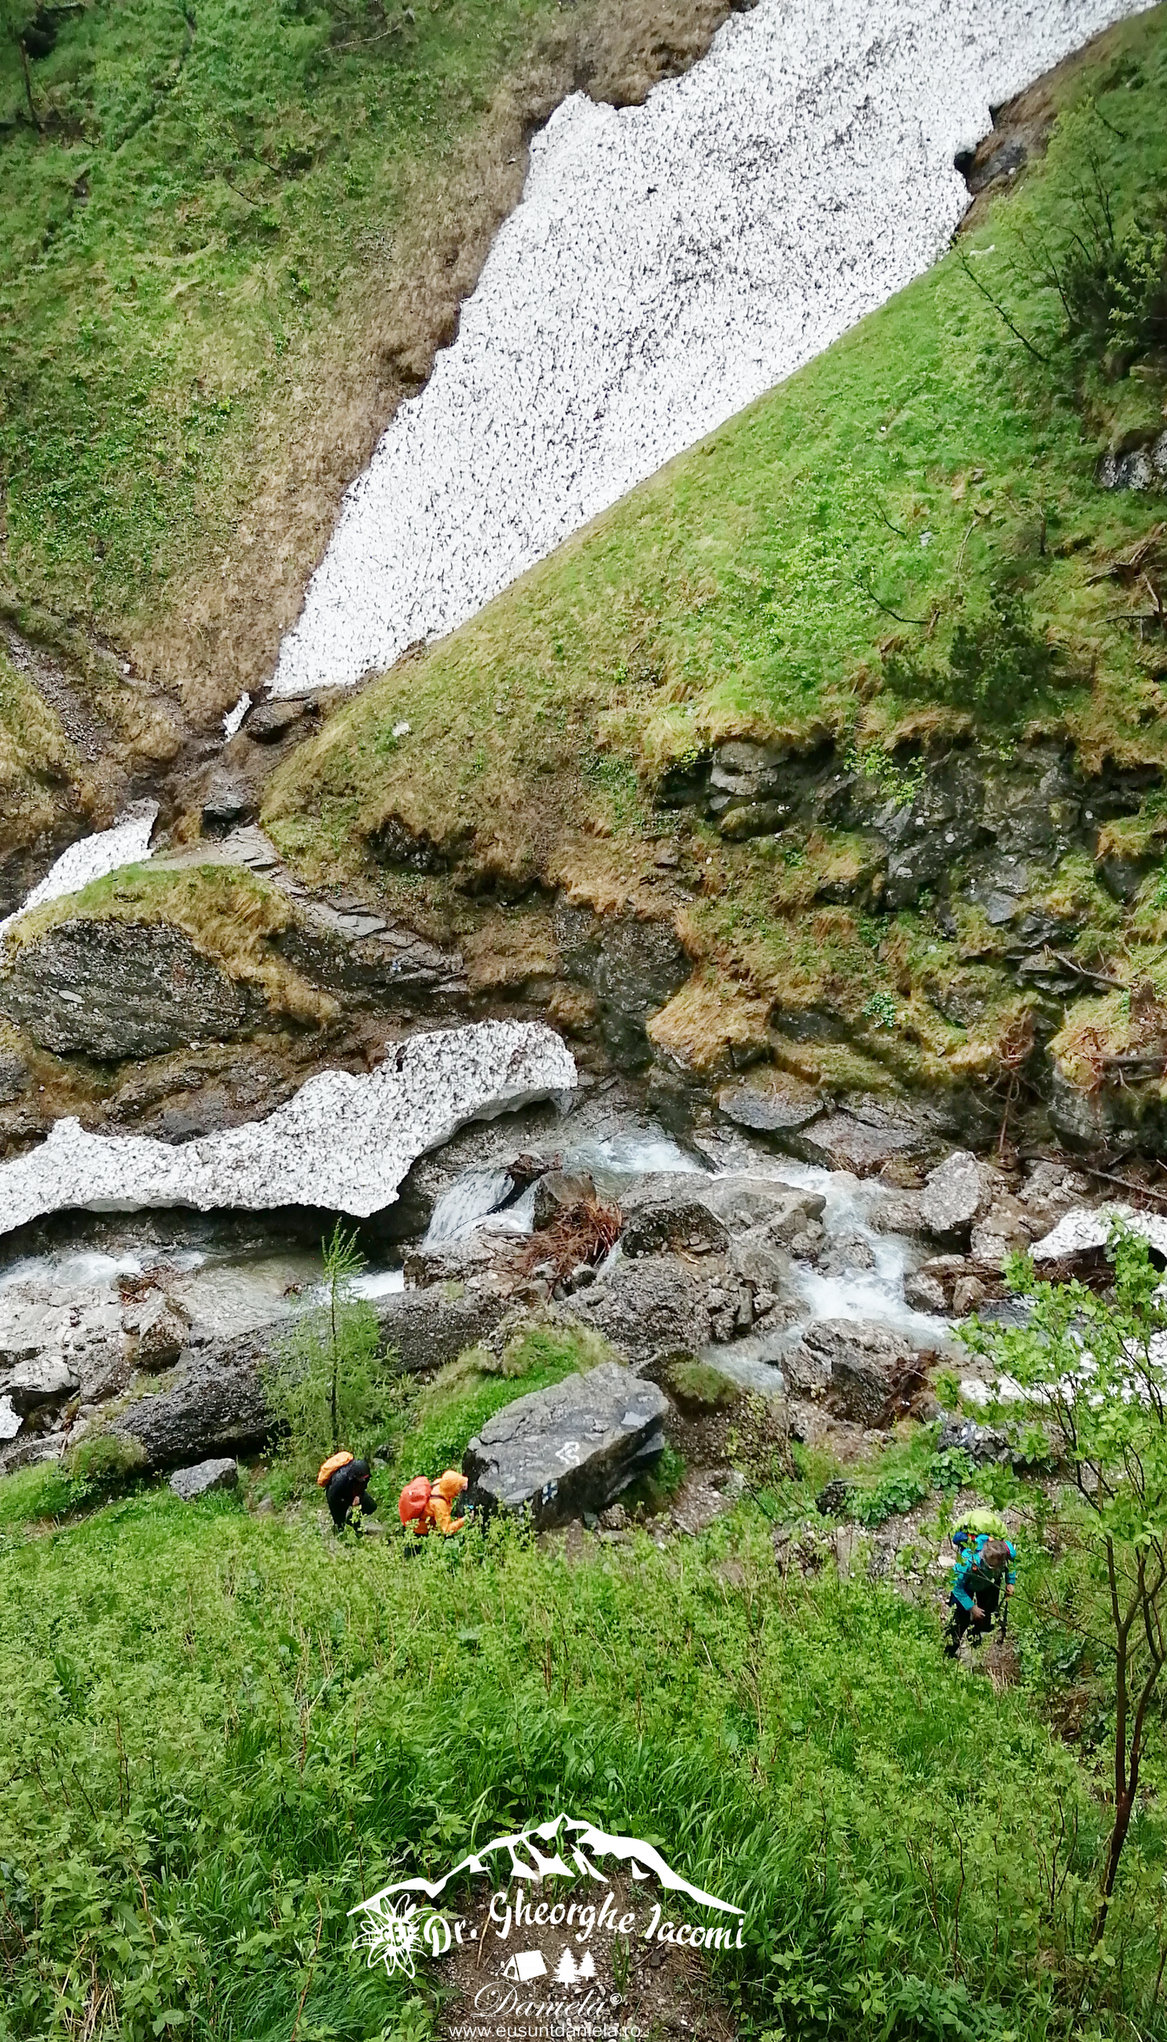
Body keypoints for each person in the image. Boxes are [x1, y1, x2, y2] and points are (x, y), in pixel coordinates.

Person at [944, 1528, 1016, 1657]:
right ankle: (949, 1650)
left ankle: (976, 1640)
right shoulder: (967, 1561)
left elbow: (1011, 1564)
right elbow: (956, 1586)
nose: (997, 1569)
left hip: (987, 1584)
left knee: (986, 1613)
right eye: (992, 1567)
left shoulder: (1004, 1552)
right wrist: (971, 1607)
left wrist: (1010, 1582)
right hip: (967, 1585)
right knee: (960, 1618)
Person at [398, 1469, 469, 1537]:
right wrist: (463, 1520)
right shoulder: (439, 1504)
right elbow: (446, 1530)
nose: (461, 1489)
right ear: (453, 1488)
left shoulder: (439, 1483)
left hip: (420, 1519)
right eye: (459, 1487)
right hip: (419, 1527)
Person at [324, 1456, 378, 1534]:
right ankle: (339, 1534)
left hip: (353, 1492)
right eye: (362, 1478)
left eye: (366, 1478)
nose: (364, 1480)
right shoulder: (339, 1482)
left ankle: (353, 1523)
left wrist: (358, 1496)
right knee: (340, 1526)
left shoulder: (364, 1477)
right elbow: (332, 1498)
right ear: (355, 1476)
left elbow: (362, 1488)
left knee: (371, 1506)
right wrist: (345, 1503)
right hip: (337, 1497)